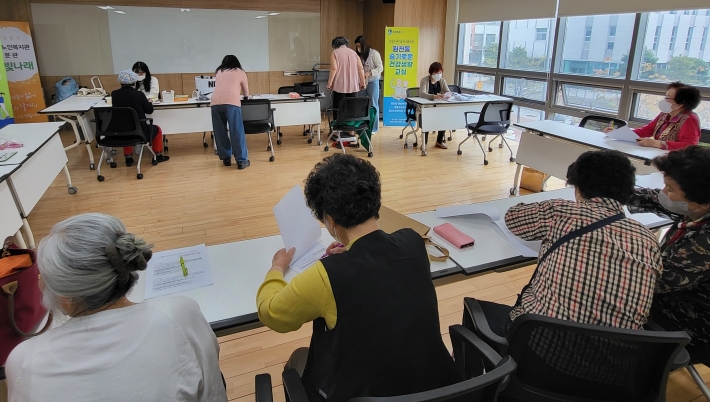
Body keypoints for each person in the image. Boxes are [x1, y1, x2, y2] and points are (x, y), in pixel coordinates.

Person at [257, 154, 461, 401]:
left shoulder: (328, 275)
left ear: (331, 221)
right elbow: (383, 280)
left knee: (298, 359)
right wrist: (350, 252)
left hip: (360, 392)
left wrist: (276, 268)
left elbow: (271, 313)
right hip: (434, 389)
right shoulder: (414, 243)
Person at [5, 213, 227, 402]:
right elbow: (213, 393)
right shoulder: (180, 314)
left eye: (43, 276)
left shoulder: (25, 361)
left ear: (67, 296)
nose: (39, 282)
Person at [470, 150, 662, 337]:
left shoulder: (561, 212)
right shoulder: (649, 238)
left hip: (546, 347)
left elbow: (512, 217)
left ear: (578, 188)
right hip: (620, 359)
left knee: (475, 311)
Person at [627, 146, 710, 350]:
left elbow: (652, 282)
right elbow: (654, 199)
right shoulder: (696, 210)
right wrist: (612, 189)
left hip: (691, 321)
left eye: (670, 188)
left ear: (702, 202)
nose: (663, 193)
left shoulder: (704, 242)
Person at [606, 82, 701, 150]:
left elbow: (690, 145)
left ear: (681, 104)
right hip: (656, 155)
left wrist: (657, 144)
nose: (664, 101)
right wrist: (618, 133)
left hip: (675, 162)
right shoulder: (664, 114)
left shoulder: (690, 119)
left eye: (668, 98)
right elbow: (646, 130)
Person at [111, 70, 168, 165]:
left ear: (120, 82)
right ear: (135, 81)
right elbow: (149, 110)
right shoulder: (139, 95)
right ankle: (158, 156)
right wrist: (148, 102)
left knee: (126, 128)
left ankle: (128, 158)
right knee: (157, 129)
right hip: (140, 132)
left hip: (120, 132)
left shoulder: (114, 94)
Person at [211, 54, 250, 169]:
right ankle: (242, 161)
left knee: (220, 131)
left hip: (215, 103)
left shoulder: (219, 71)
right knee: (236, 131)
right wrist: (246, 97)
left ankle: (226, 158)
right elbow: (246, 91)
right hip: (232, 103)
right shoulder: (240, 71)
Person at [326, 36, 365, 113]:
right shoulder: (354, 53)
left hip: (339, 85)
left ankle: (338, 124)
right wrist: (362, 83)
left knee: (338, 107)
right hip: (353, 85)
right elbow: (361, 68)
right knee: (351, 107)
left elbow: (334, 68)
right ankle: (350, 124)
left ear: (335, 45)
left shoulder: (335, 53)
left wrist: (329, 83)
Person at [355, 35, 383, 134]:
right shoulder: (359, 55)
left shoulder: (374, 53)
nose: (358, 48)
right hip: (362, 81)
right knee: (361, 104)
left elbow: (380, 68)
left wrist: (370, 72)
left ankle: (374, 128)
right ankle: (362, 126)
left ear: (364, 44)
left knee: (373, 104)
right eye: (357, 46)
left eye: (359, 46)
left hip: (373, 81)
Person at [419, 62, 451, 149]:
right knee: (427, 120)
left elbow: (447, 91)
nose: (438, 75)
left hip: (439, 107)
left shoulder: (442, 81)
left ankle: (439, 141)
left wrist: (447, 95)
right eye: (436, 73)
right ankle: (424, 143)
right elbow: (422, 93)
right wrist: (434, 96)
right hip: (426, 107)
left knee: (444, 119)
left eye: (440, 73)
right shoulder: (424, 80)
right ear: (431, 73)